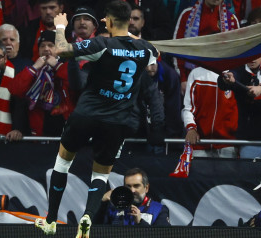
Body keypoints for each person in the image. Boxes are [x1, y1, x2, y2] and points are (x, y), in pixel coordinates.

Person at [34, 1, 159, 237]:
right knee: (100, 174)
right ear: (130, 20)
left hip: (87, 114)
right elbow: (155, 55)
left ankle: (50, 220)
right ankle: (88, 218)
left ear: (108, 21)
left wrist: (60, 27)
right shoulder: (146, 49)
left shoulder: (103, 44)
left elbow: (61, 50)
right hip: (117, 122)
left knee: (63, 162)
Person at [174, 0, 239, 95]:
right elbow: (178, 48)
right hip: (192, 77)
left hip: (222, 80)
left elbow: (236, 53)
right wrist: (183, 79)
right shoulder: (187, 15)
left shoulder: (231, 20)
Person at [24, 30, 74, 136]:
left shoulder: (66, 66)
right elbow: (16, 90)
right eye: (42, 46)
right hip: (39, 127)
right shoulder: (32, 69)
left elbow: (75, 84)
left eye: (51, 45)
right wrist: (34, 68)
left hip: (64, 125)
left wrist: (57, 66)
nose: (46, 49)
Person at [182, 67, 238, 158]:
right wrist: (191, 128)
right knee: (199, 172)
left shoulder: (234, 75)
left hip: (227, 143)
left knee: (226, 172)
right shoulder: (196, 74)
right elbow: (188, 108)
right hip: (200, 142)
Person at [101, 168, 170, 226]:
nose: (132, 190)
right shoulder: (113, 208)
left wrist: (140, 222)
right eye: (128, 186)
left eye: (136, 186)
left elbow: (164, 235)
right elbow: (96, 231)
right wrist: (101, 202)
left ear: (146, 188)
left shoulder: (159, 210)